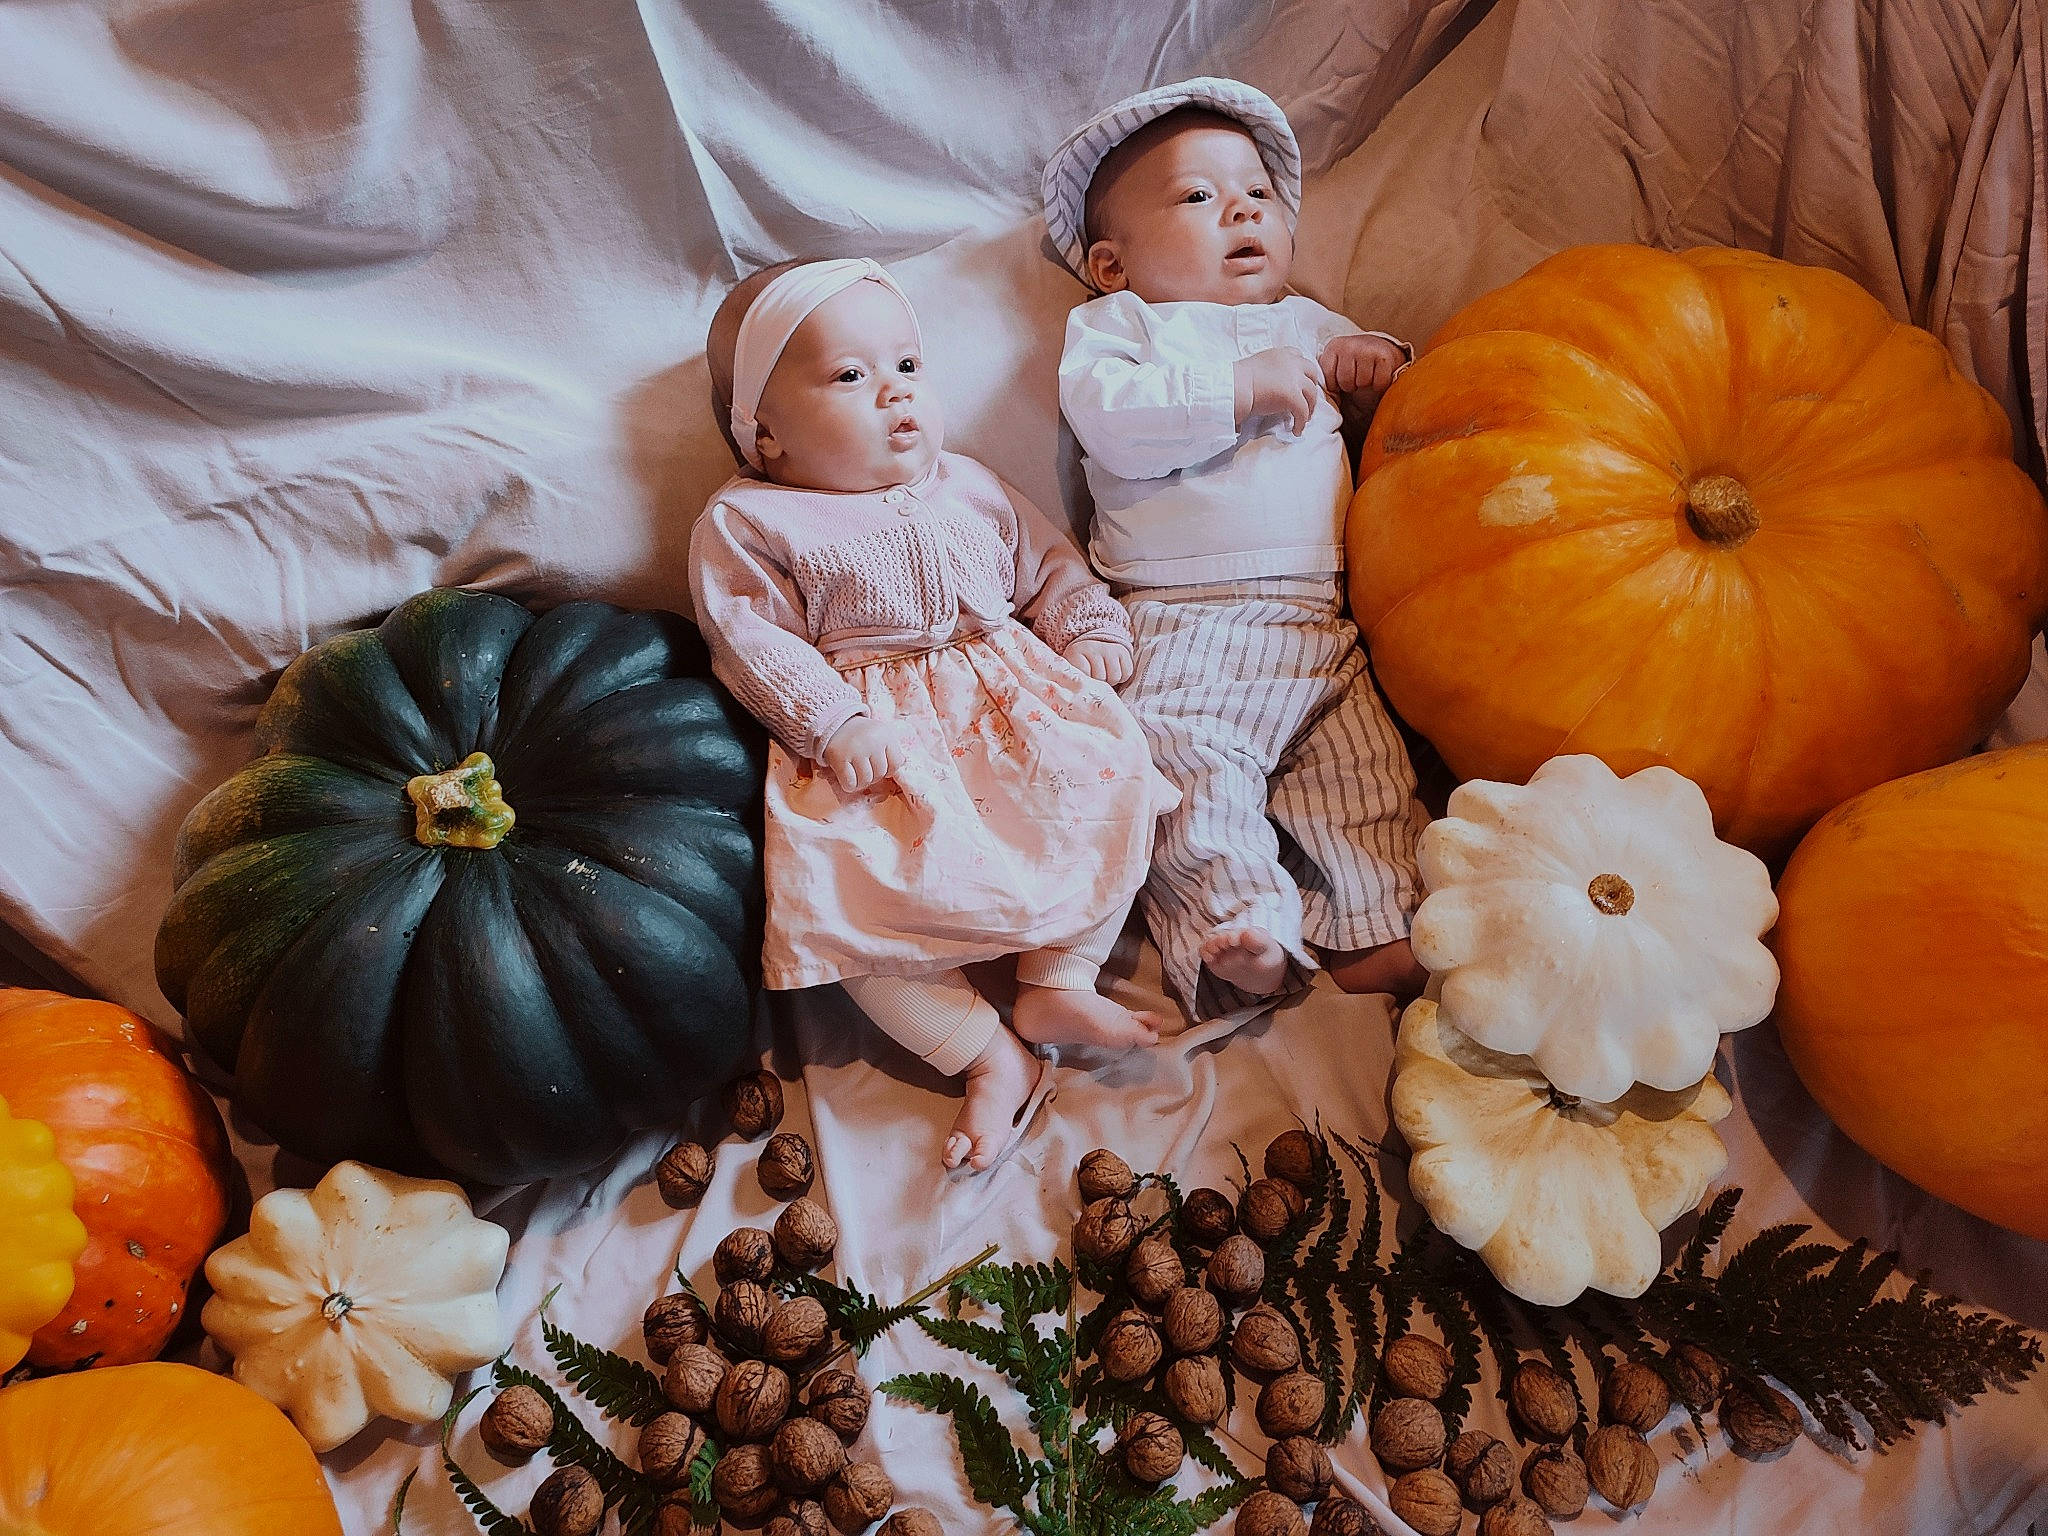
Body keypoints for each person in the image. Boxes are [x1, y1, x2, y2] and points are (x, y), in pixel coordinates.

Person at [690, 257, 1177, 1169]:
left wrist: (1085, 625)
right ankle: (986, 1054)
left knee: (1119, 797)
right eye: (849, 377)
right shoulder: (752, 519)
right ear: (765, 437)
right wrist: (830, 719)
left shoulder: (971, 483)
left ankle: (1056, 980)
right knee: (846, 914)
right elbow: (748, 637)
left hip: (1015, 710)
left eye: (908, 366)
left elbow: (1049, 564)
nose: (894, 394)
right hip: (877, 744)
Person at [1043, 77, 1428, 1021]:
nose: (1245, 208)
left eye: (1257, 190)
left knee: (1361, 777)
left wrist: (1378, 364)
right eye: (1199, 197)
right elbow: (1113, 425)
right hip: (1183, 628)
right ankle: (1242, 935)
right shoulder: (1119, 329)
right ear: (1111, 264)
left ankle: (1375, 929)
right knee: (1192, 787)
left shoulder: (1306, 320)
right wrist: (1236, 389)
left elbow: (1401, 417)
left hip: (1318, 625)